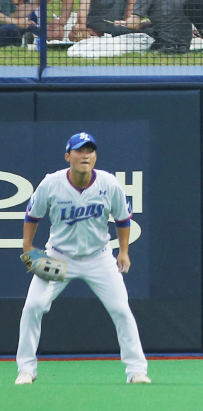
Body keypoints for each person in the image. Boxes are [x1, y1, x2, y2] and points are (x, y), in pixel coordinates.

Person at [15, 132, 150, 385]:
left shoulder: (109, 184)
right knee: (33, 307)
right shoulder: (52, 183)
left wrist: (123, 251)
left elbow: (122, 219)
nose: (85, 155)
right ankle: (26, 369)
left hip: (99, 257)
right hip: (59, 256)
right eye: (79, 150)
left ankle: (136, 371)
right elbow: (32, 215)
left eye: (89, 150)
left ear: (95, 156)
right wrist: (28, 246)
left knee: (121, 310)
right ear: (68, 156)